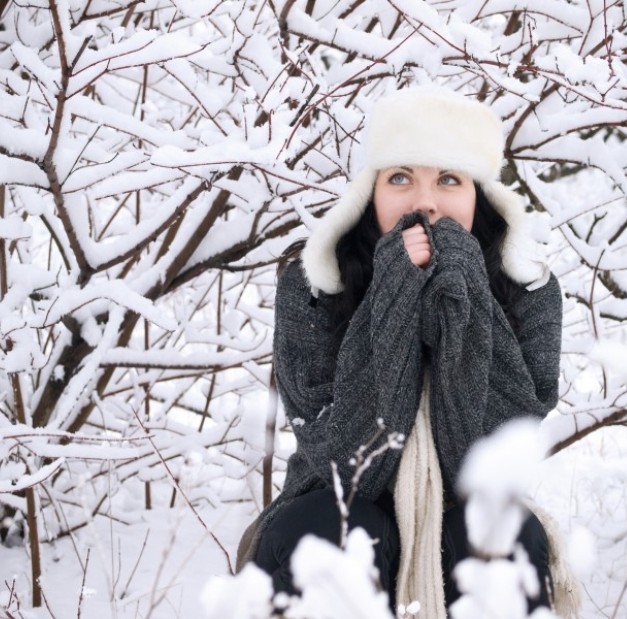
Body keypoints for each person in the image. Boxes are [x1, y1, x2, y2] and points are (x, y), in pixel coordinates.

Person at [236, 87, 563, 617]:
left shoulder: (530, 294)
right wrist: (393, 296)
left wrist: (468, 299)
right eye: (401, 178)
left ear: (480, 193)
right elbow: (346, 467)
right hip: (328, 508)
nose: (424, 202)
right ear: (371, 191)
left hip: (468, 515)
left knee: (497, 539)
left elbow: (486, 462)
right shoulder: (314, 289)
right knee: (341, 528)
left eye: (449, 179)